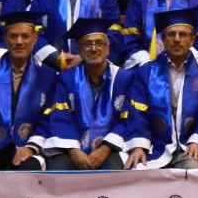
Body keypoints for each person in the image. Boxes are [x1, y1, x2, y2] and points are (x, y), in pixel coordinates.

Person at [122, 8, 198, 169]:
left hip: (190, 146)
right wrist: (139, 146)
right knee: (137, 169)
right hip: (155, 145)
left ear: (192, 40)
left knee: (194, 170)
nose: (177, 40)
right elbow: (138, 114)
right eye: (171, 34)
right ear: (163, 40)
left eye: (183, 35)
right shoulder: (145, 73)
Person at [0, 11, 56, 170]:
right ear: (5, 38)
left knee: (29, 167)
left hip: (28, 147)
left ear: (35, 39)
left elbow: (48, 119)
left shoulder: (47, 74)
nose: (19, 41)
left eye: (25, 36)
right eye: (13, 36)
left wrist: (31, 147)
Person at [41, 18, 132, 170]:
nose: (94, 49)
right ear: (79, 50)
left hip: (112, 147)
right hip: (72, 146)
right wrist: (74, 151)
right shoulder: (66, 79)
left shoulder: (124, 78)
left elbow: (128, 119)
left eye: (99, 43)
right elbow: (60, 117)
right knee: (58, 170)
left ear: (108, 48)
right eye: (87, 44)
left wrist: (106, 148)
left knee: (114, 170)